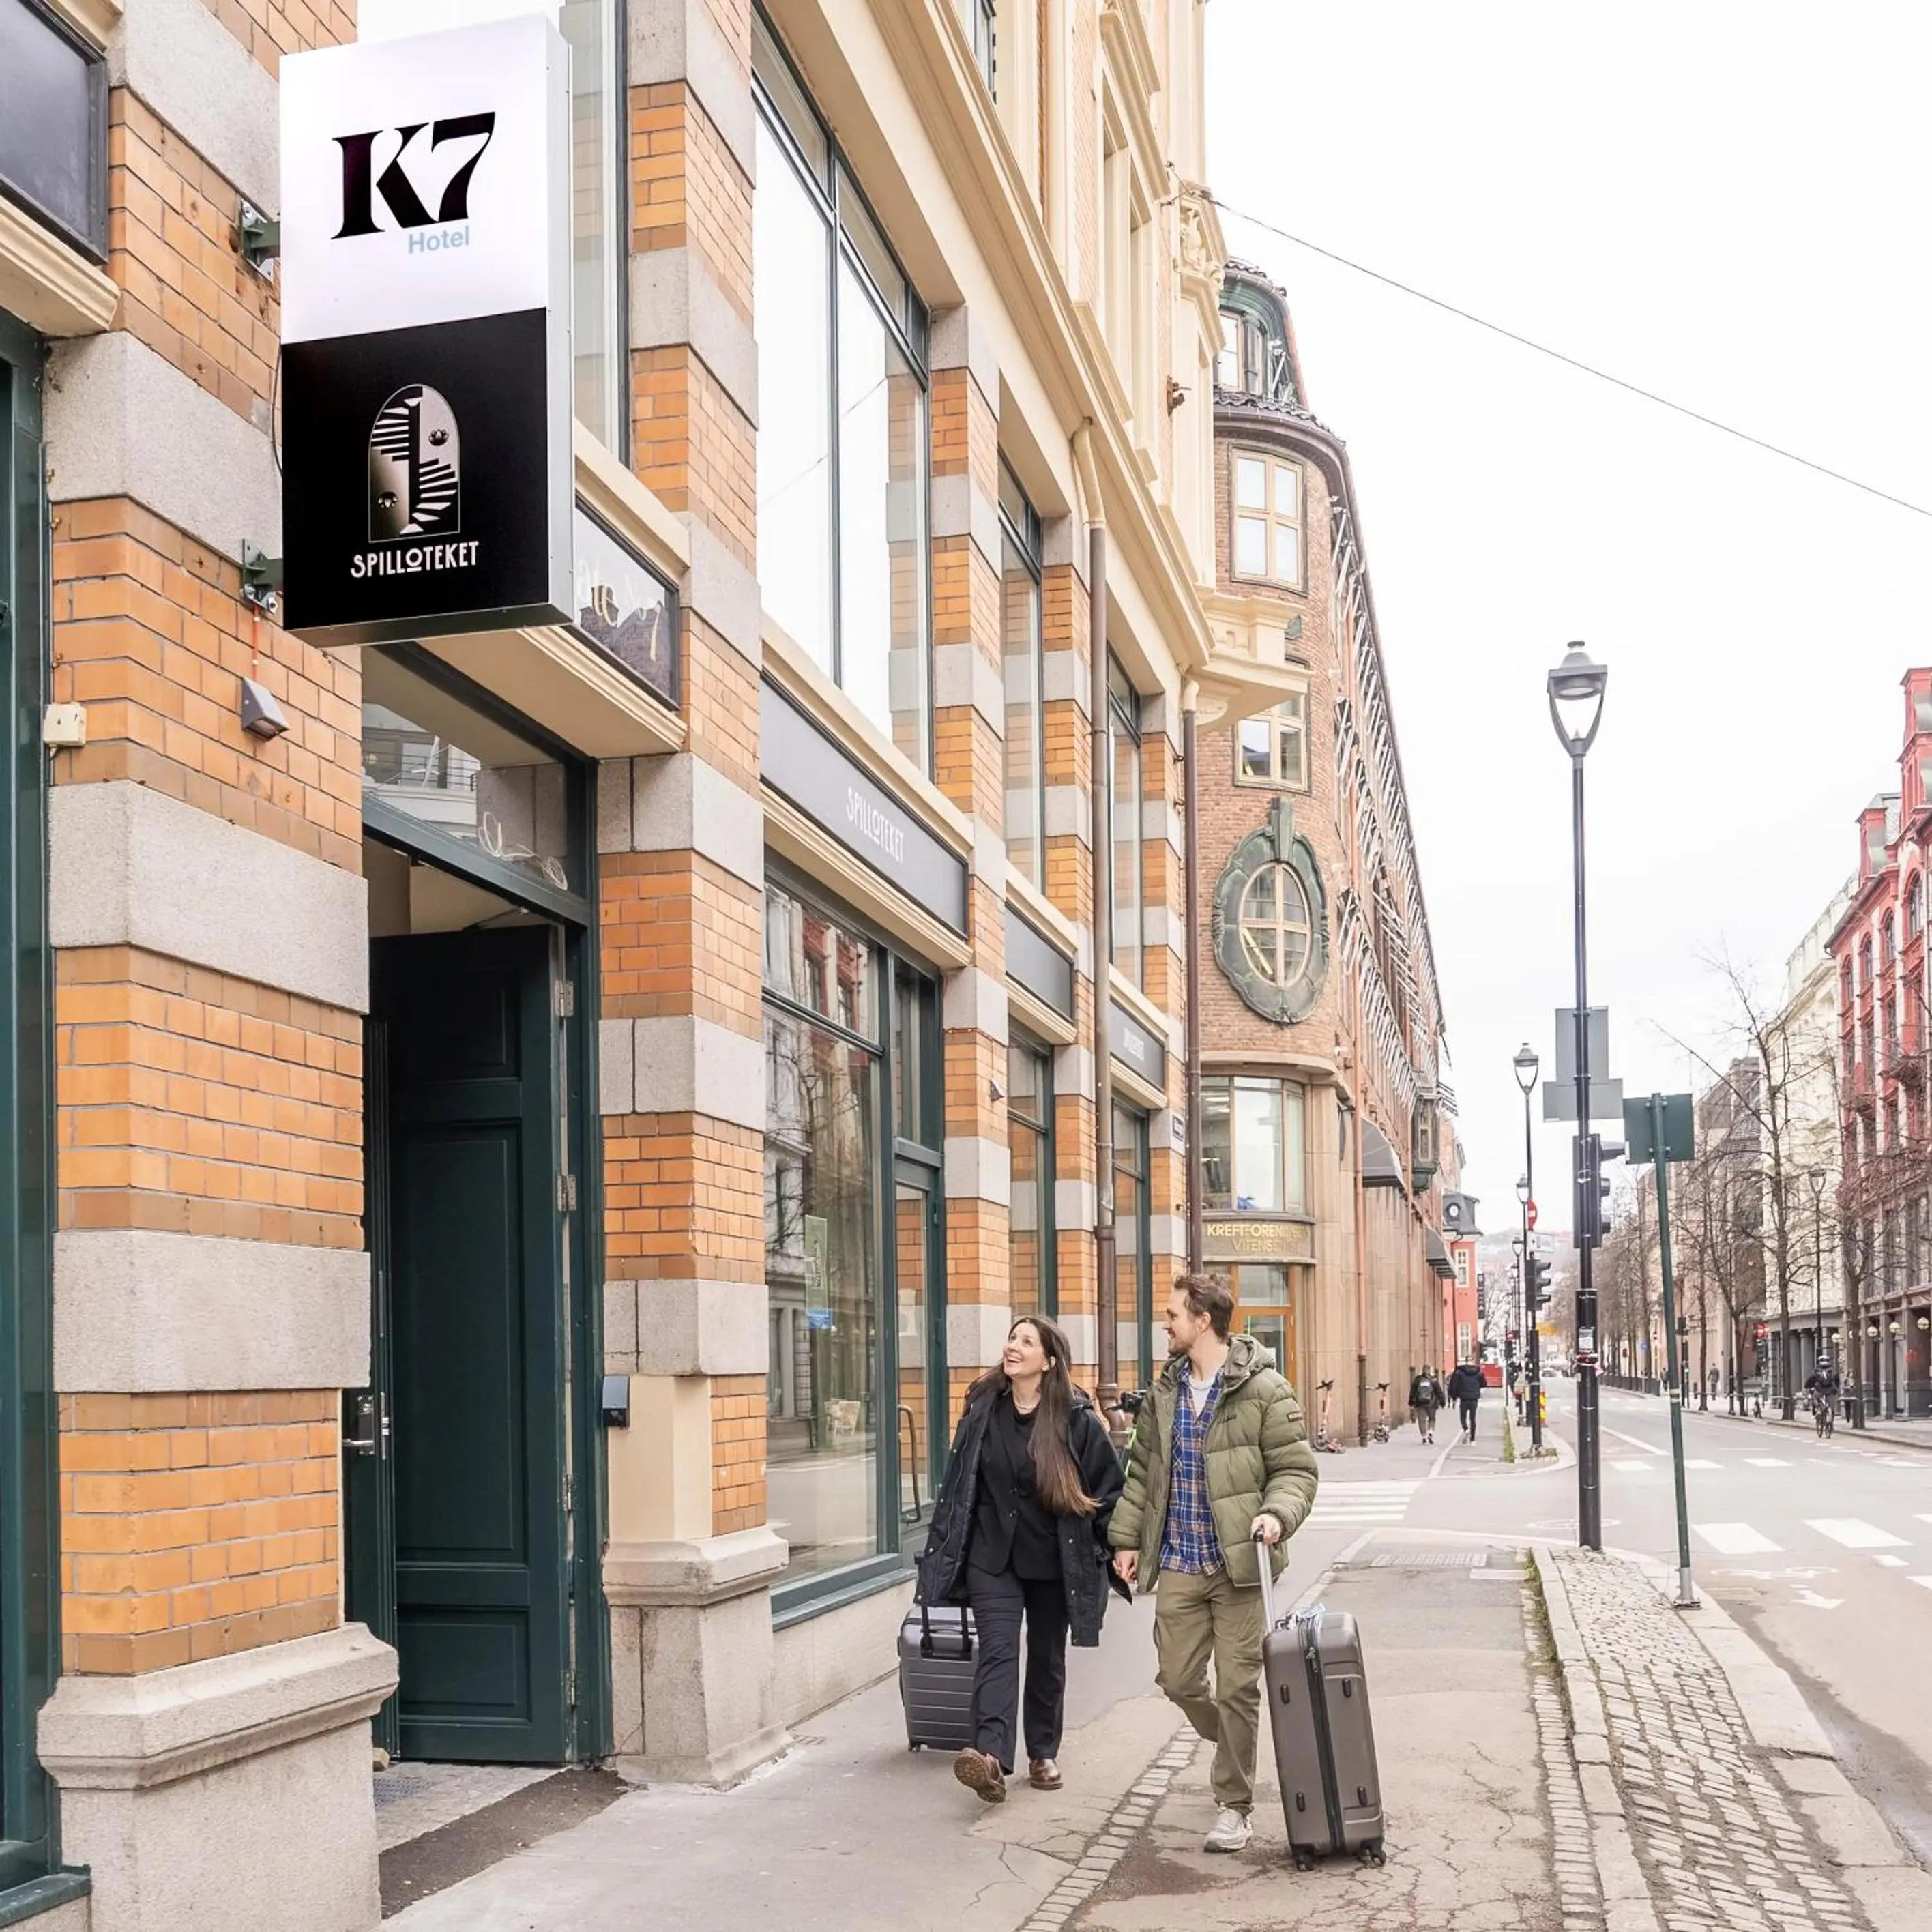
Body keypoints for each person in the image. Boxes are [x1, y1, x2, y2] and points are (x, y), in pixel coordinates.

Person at [1109, 1273, 1319, 1855]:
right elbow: (1142, 1475)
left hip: (1240, 1566)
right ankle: (1232, 1746)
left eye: (1173, 1314)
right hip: (1179, 1558)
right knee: (1176, 1678)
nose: (1166, 1324)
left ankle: (1234, 1805)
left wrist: (1277, 1514)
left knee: (1238, 1688)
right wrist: (1126, 1541)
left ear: (1203, 1321)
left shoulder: (1266, 1390)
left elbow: (1296, 1471)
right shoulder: (1164, 1393)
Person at [918, 1315, 1125, 1806]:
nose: (1013, 1347)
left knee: (1048, 1659)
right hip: (993, 1558)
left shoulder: (1075, 1418)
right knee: (997, 1651)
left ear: (1048, 1361)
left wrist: (1120, 1549)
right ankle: (989, 1757)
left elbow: (1109, 1490)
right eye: (1012, 1338)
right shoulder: (984, 1407)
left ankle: (1042, 1751)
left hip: (1055, 1560)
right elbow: (959, 1482)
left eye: (1025, 1342)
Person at [1446, 1353, 1485, 1441]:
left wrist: (1454, 1397)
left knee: (1463, 1417)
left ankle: (1466, 1429)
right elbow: (1484, 1384)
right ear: (1473, 1362)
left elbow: (1453, 1386)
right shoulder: (1479, 1372)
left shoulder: (1459, 1372)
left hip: (1464, 1398)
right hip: (1474, 1398)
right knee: (1473, 1418)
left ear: (1465, 1361)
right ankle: (1473, 1438)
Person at [1409, 1365, 1444, 1444]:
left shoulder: (1418, 1380)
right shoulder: (1434, 1380)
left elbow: (1413, 1391)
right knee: (1432, 1419)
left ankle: (1424, 1436)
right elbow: (1439, 1392)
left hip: (1420, 1404)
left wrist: (1411, 1402)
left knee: (1422, 1420)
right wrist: (1442, 1402)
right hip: (1432, 1404)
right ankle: (1430, 1432)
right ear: (1430, 1371)